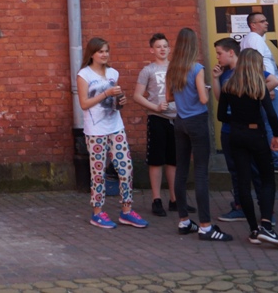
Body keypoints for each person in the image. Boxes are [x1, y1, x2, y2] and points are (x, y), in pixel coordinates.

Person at [217, 48, 278, 247]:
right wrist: (276, 135)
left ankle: (253, 229)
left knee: (243, 181)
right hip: (256, 134)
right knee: (267, 178)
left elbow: (221, 115)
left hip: (236, 134)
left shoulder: (228, 85)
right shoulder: (259, 86)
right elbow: (272, 114)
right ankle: (266, 224)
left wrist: (237, 121)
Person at [166, 27, 232, 241]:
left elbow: (169, 97)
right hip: (197, 121)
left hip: (180, 122)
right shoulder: (196, 68)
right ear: (194, 45)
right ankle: (205, 226)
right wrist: (206, 89)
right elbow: (203, 99)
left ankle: (184, 221)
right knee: (201, 172)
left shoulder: (172, 69)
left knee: (181, 170)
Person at [77, 37, 149, 229]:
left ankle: (127, 210)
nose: (104, 55)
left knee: (126, 168)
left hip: (116, 127)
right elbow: (84, 103)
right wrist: (105, 94)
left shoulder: (113, 73)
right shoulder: (84, 75)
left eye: (106, 51)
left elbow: (115, 101)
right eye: (100, 51)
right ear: (92, 54)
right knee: (98, 172)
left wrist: (121, 100)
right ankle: (97, 213)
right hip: (96, 131)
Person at [212, 37, 278, 222]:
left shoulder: (250, 70)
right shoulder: (224, 74)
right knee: (236, 172)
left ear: (231, 52)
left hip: (242, 129)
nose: (217, 57)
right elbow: (219, 99)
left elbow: (274, 80)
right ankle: (240, 207)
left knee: (256, 172)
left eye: (219, 53)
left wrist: (256, 94)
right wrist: (216, 79)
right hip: (231, 130)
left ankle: (266, 212)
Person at [134, 33, 188, 217]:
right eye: (158, 46)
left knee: (173, 160)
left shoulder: (177, 68)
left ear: (169, 49)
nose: (162, 49)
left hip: (176, 119)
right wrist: (155, 107)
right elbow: (137, 96)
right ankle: (156, 199)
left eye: (165, 46)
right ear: (152, 50)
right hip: (157, 118)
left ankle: (175, 199)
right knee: (156, 159)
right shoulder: (147, 70)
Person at [239, 12, 278, 173]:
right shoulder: (254, 39)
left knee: (266, 124)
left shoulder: (253, 39)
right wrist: (266, 87)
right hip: (267, 87)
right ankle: (276, 160)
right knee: (271, 124)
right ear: (253, 25)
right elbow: (256, 63)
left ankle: (268, 159)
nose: (267, 23)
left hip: (265, 86)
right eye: (262, 21)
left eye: (266, 20)